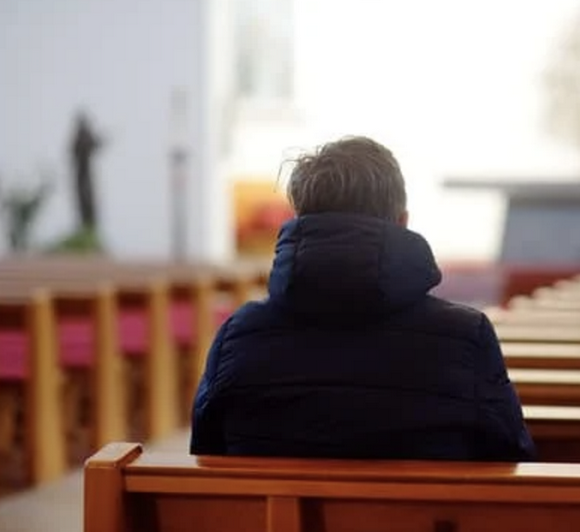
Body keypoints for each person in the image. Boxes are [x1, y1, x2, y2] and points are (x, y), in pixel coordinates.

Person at [190, 136, 536, 461]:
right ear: (402, 223)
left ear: (299, 223)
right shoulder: (465, 338)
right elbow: (510, 459)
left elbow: (206, 458)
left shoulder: (240, 336)